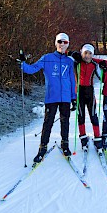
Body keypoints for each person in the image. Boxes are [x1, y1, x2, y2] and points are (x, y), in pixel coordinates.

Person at [21, 33, 77, 164]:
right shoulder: (47, 58)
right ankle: (42, 148)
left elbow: (72, 80)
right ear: (55, 43)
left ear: (68, 44)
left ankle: (65, 145)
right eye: (59, 42)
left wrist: (74, 97)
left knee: (65, 122)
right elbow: (32, 69)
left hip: (65, 98)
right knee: (48, 123)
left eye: (65, 42)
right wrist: (22, 63)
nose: (62, 44)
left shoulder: (69, 61)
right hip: (52, 97)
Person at [70, 44, 103, 151]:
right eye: (85, 53)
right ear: (81, 53)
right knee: (81, 116)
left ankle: (98, 138)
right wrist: (72, 54)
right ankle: (83, 138)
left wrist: (104, 69)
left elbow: (101, 77)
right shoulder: (76, 62)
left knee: (93, 115)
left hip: (89, 91)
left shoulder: (94, 64)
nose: (87, 56)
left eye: (90, 54)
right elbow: (66, 56)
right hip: (79, 92)